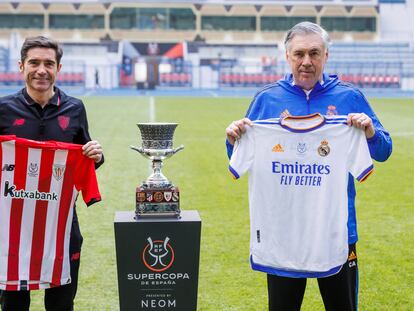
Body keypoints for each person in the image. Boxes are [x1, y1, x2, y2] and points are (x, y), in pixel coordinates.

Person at [225, 22, 392, 311]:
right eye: (299, 54)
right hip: (283, 234)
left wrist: (369, 132)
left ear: (326, 56)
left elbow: (384, 150)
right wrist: (232, 138)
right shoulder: (267, 99)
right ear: (287, 56)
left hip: (336, 232)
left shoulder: (349, 97)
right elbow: (239, 154)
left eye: (314, 53)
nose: (306, 61)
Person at [0, 36, 103, 310]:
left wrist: (96, 155)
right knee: (13, 304)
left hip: (62, 223)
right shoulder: (3, 110)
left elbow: (84, 156)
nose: (41, 70)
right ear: (21, 66)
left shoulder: (75, 108)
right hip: (13, 226)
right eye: (34, 62)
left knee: (61, 303)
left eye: (48, 63)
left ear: (58, 68)